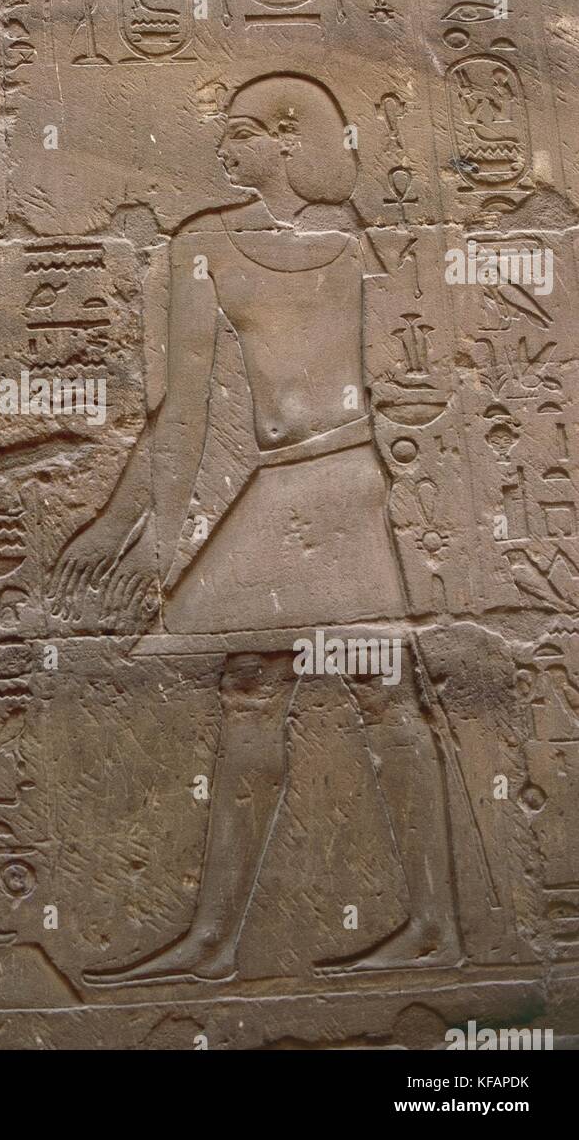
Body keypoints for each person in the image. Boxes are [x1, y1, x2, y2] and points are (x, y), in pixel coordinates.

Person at [54, 74, 462, 982]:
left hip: (347, 481)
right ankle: (216, 941)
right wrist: (134, 525)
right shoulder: (206, 246)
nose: (223, 148)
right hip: (282, 486)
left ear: (287, 138)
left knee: (380, 688)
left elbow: (426, 375)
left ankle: (433, 923)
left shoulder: (361, 245)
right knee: (257, 686)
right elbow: (183, 412)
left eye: (240, 132)